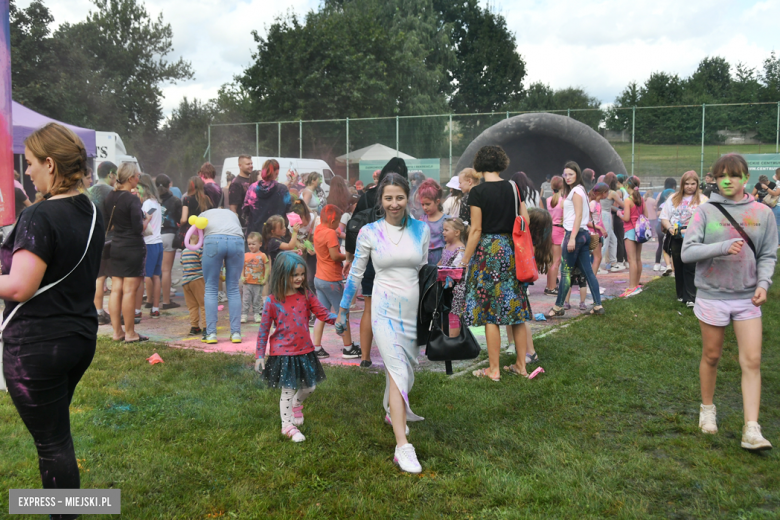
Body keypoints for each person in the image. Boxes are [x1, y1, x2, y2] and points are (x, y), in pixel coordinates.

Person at [2, 123, 105, 499]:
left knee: (52, 444)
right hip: (78, 338)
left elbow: (19, 286)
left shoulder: (39, 216)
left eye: (29, 163)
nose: (26, 171)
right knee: (56, 436)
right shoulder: (90, 209)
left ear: (50, 164)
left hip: (37, 345)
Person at [682, 153, 778, 451]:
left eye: (733, 175)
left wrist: (763, 283)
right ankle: (707, 409)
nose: (727, 180)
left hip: (748, 297)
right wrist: (721, 246)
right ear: (714, 178)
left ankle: (752, 428)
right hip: (712, 295)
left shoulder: (763, 213)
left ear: (745, 178)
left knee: (751, 361)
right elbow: (687, 252)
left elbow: (767, 255)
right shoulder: (705, 212)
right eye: (721, 175)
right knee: (712, 356)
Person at [335, 173, 430, 474]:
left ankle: (392, 408)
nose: (394, 203)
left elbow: (424, 271)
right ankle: (403, 447)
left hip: (412, 311)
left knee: (405, 373)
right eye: (388, 198)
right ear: (381, 200)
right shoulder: (369, 232)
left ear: (407, 198)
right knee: (398, 373)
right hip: (384, 310)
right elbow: (355, 273)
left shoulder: (421, 230)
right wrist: (342, 310)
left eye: (399, 197)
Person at [456, 145, 531, 381]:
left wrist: (465, 259)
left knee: (490, 312)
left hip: (488, 252)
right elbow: (525, 219)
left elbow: (476, 229)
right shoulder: (513, 187)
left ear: (479, 165)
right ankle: (521, 365)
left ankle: (494, 370)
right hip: (510, 250)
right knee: (514, 309)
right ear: (501, 163)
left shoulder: (477, 193)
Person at [254, 252, 335, 443]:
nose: (299, 278)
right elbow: (263, 330)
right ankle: (287, 425)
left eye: (301, 274)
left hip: (305, 350)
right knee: (287, 389)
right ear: (282, 275)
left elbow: (322, 313)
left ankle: (297, 404)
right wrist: (259, 355)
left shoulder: (306, 295)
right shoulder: (272, 301)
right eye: (294, 275)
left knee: (310, 387)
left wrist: (338, 321)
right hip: (283, 353)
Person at [347, 157, 409, 368]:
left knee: (369, 308)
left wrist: (350, 256)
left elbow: (353, 227)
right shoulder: (401, 198)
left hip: (369, 260)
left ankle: (365, 357)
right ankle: (395, 353)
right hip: (394, 260)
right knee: (396, 309)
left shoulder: (367, 196)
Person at [548, 161, 605, 317]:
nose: (567, 177)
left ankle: (558, 306)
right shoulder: (580, 191)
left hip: (576, 234)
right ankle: (598, 305)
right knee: (588, 273)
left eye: (571, 174)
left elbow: (579, 215)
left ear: (578, 175)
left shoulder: (576, 192)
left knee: (566, 273)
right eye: (565, 174)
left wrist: (572, 237)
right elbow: (579, 215)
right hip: (581, 234)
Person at [104, 163, 148, 342]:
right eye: (137, 176)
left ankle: (117, 332)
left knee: (116, 290)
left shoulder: (109, 197)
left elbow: (109, 224)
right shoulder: (132, 200)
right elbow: (138, 228)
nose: (139, 179)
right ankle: (130, 333)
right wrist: (147, 220)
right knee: (130, 291)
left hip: (116, 246)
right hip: (132, 247)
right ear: (130, 178)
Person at [312, 205, 359, 359]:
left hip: (319, 278)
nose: (338, 225)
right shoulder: (330, 233)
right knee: (342, 312)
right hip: (332, 280)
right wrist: (348, 256)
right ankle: (348, 348)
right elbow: (334, 256)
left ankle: (316, 347)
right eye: (337, 221)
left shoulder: (318, 229)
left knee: (322, 314)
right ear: (332, 220)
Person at [660, 170, 707, 307]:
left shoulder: (703, 200)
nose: (690, 186)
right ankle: (681, 294)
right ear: (682, 184)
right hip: (676, 236)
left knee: (690, 266)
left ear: (697, 184)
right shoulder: (673, 198)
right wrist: (669, 228)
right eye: (687, 184)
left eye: (693, 184)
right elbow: (664, 217)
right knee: (678, 265)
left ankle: (691, 297)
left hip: (694, 237)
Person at [200, 208, 245, 344]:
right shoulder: (232, 214)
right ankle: (236, 333)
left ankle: (211, 333)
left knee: (211, 287)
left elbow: (198, 233)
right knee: (233, 288)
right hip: (237, 241)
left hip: (213, 240)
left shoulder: (204, 214)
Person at [90, 160, 117, 325]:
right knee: (117, 279)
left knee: (99, 278)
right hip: (111, 239)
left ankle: (98, 312)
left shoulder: (88, 192)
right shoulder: (112, 192)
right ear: (111, 175)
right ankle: (117, 313)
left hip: (94, 240)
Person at [136, 174, 164, 318]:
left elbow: (145, 221)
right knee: (156, 276)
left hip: (149, 243)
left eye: (138, 187)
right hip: (158, 243)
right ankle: (155, 308)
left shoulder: (147, 204)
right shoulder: (157, 203)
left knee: (145, 276)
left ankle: (138, 309)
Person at [244, 159, 292, 235]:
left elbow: (246, 209)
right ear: (277, 172)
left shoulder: (252, 188)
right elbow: (289, 210)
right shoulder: (282, 189)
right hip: (275, 234)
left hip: (255, 234)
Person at [156, 174, 182, 309]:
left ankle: (151, 301)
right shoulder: (175, 201)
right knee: (166, 270)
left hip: (153, 237)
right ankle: (166, 301)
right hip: (169, 235)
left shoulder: (152, 200)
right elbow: (180, 219)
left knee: (153, 271)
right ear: (169, 184)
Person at [438, 217, 468, 337]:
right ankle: (445, 338)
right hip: (446, 286)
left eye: (446, 230)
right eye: (443, 230)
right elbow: (441, 262)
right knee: (445, 312)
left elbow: (457, 271)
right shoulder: (446, 246)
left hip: (457, 289)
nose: (443, 232)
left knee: (454, 315)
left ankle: (453, 342)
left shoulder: (460, 249)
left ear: (456, 233)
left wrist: (441, 274)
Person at [618, 176, 646, 297]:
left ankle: (632, 287)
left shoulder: (628, 200)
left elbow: (627, 218)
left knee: (631, 260)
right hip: (640, 230)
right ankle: (637, 284)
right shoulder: (641, 198)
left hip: (630, 230)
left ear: (627, 186)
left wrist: (620, 214)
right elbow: (646, 215)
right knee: (638, 258)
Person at [418, 178, 448, 265]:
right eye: (422, 204)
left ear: (437, 201)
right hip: (424, 257)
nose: (424, 207)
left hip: (440, 257)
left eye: (428, 204)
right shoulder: (422, 219)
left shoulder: (446, 220)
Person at [289, 199, 318, 288]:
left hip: (312, 253)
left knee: (310, 277)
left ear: (306, 215)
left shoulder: (315, 220)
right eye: (296, 220)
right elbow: (292, 234)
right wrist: (298, 243)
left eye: (300, 219)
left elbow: (319, 239)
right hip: (299, 253)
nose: (298, 223)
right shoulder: (292, 222)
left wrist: (313, 249)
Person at [241, 232, 270, 324]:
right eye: (249, 244)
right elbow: (242, 266)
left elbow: (267, 267)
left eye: (253, 244)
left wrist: (265, 278)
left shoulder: (263, 256)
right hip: (247, 282)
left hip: (258, 283)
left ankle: (256, 314)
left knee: (257, 299)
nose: (251, 246)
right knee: (246, 299)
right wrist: (242, 276)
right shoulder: (245, 255)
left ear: (260, 244)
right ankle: (244, 314)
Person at [181, 230, 206, 337]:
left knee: (192, 306)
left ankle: (194, 327)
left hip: (186, 281)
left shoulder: (184, 251)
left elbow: (182, 263)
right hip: (197, 279)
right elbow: (204, 264)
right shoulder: (199, 250)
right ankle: (206, 327)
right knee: (204, 304)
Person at [544, 175, 564, 295]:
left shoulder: (548, 200)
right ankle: (552, 288)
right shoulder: (564, 202)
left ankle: (549, 285)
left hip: (550, 230)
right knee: (556, 262)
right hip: (559, 231)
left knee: (550, 261)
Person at [600, 173, 623, 272]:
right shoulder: (612, 192)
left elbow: (607, 205)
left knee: (613, 240)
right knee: (605, 241)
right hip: (606, 217)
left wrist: (617, 209)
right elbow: (623, 204)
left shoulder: (601, 190)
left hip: (601, 214)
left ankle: (613, 263)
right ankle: (598, 266)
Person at [655, 177, 678, 274]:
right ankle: (671, 266)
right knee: (671, 246)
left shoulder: (661, 196)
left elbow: (656, 208)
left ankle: (658, 263)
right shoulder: (676, 199)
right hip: (670, 226)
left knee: (662, 245)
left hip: (661, 226)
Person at [588, 182, 609, 277]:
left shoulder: (598, 203)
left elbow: (598, 219)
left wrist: (603, 229)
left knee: (598, 257)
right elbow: (586, 221)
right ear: (603, 192)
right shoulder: (592, 203)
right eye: (607, 192)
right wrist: (600, 228)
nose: (608, 195)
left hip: (598, 233)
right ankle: (590, 283)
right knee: (597, 257)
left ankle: (592, 281)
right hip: (593, 233)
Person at [229, 155, 254, 225]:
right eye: (248, 164)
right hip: (243, 224)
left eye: (251, 163)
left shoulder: (252, 179)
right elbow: (233, 207)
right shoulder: (236, 183)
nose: (251, 166)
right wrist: (236, 224)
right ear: (240, 165)